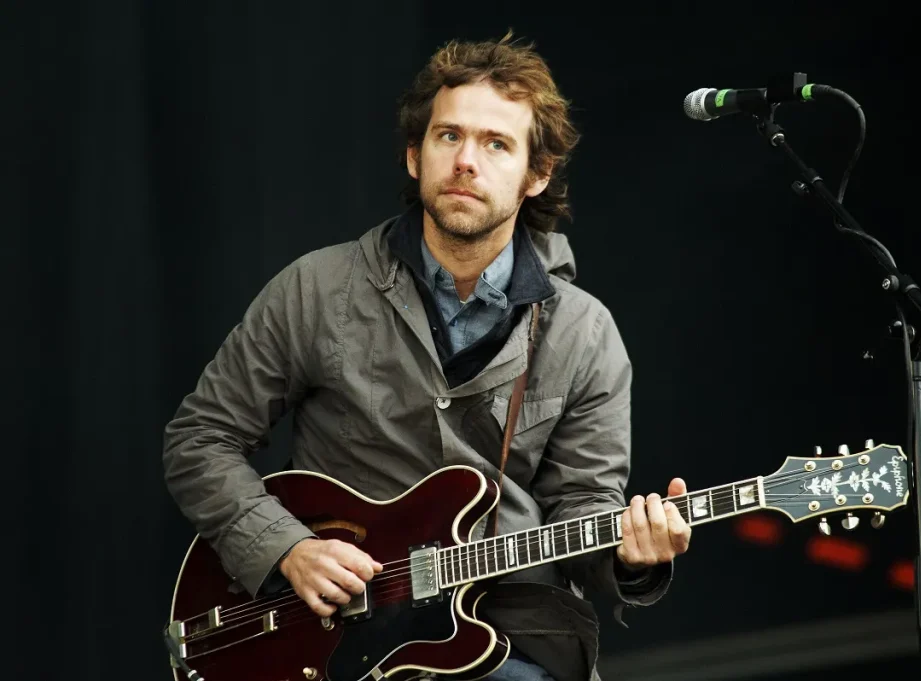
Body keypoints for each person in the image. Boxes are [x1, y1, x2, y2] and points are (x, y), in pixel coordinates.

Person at [163, 30, 690, 681]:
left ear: (538, 174)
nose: (466, 160)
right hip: (329, 638)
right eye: (448, 136)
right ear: (415, 156)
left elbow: (583, 508)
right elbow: (200, 439)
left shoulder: (584, 332)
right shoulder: (317, 289)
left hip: (506, 635)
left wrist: (634, 558)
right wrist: (286, 548)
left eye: (496, 144)